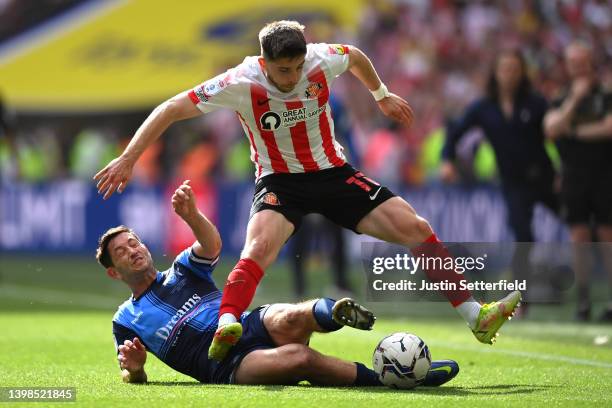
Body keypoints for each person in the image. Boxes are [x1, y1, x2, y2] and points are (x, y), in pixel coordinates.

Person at [94, 20, 521, 361]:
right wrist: (130, 158)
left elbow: (354, 55)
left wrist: (381, 94)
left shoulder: (319, 60)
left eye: (298, 68)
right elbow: (171, 108)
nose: (293, 77)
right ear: (264, 62)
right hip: (280, 182)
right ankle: (227, 322)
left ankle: (475, 317)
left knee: (417, 226)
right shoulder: (241, 81)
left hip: (333, 173)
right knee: (258, 248)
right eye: (283, 70)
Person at [99, 179, 460, 386]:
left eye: (134, 242)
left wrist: (192, 216)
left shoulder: (181, 269)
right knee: (299, 357)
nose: (133, 250)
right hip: (223, 366)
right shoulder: (125, 319)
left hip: (239, 325)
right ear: (114, 272)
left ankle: (335, 310)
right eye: (122, 252)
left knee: (289, 317)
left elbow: (211, 245)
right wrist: (137, 368)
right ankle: (393, 379)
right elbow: (131, 375)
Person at [441, 49, 559, 316]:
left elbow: (556, 137)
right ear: (495, 73)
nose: (509, 74)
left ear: (522, 73)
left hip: (545, 178)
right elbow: (455, 132)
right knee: (523, 237)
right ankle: (522, 301)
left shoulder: (536, 103)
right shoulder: (484, 108)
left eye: (514, 68)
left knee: (581, 225)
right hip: (513, 183)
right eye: (504, 68)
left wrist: (564, 172)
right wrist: (447, 160)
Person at [543, 41, 612, 322]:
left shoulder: (606, 95)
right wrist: (575, 100)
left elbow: (609, 128)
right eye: (573, 65)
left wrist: (572, 130)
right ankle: (583, 301)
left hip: (605, 173)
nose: (578, 70)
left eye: (582, 64)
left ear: (591, 64)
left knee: (608, 236)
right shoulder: (562, 97)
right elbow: (551, 128)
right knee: (579, 237)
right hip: (573, 176)